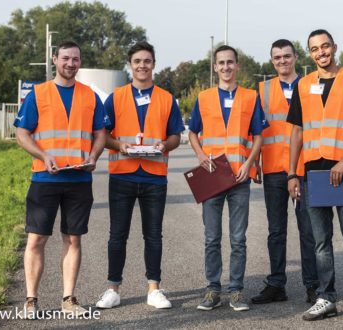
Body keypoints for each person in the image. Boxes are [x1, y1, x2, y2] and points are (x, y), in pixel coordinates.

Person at [287, 29, 343, 326]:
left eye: (325, 46)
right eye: (315, 49)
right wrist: (292, 173)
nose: (321, 52)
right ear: (310, 54)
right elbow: (297, 132)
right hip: (313, 173)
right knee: (321, 244)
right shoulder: (303, 85)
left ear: (334, 47)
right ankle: (326, 298)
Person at [14, 41, 107, 318]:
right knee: (36, 239)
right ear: (55, 59)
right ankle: (31, 301)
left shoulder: (90, 95)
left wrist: (93, 156)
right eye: (65, 58)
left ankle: (69, 299)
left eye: (75, 59)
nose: (70, 63)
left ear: (80, 62)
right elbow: (22, 134)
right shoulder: (38, 94)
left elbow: (101, 133)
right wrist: (44, 156)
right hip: (45, 178)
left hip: (79, 180)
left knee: (73, 240)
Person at [95, 41, 184, 310]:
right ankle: (113, 288)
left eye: (147, 61)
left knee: (153, 235)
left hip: (154, 176)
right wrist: (119, 145)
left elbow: (176, 136)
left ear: (153, 64)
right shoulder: (115, 97)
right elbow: (103, 135)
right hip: (122, 174)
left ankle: (154, 289)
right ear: (130, 65)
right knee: (117, 235)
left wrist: (165, 145)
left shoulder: (167, 98)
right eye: (137, 61)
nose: (142, 65)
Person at [188, 45, 266, 312]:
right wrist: (200, 155)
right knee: (211, 238)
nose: (226, 67)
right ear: (215, 67)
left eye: (230, 62)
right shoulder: (204, 97)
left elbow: (258, 137)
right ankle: (212, 290)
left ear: (237, 66)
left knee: (238, 239)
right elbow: (193, 133)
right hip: (212, 177)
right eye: (221, 63)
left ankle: (236, 290)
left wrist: (249, 163)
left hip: (239, 179)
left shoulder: (250, 97)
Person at [251, 39, 319, 306]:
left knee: (308, 230)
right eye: (277, 57)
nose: (282, 61)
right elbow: (255, 130)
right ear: (272, 61)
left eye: (286, 56)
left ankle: (313, 286)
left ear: (295, 57)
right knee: (276, 231)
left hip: (305, 168)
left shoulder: (312, 85)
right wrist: (254, 161)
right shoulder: (262, 90)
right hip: (273, 170)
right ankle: (276, 284)